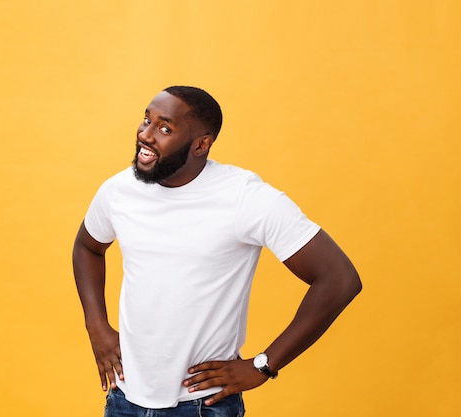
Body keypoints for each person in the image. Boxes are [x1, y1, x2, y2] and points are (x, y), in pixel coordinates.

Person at [72, 86, 362, 417]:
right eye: (146, 120)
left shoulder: (244, 198)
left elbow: (339, 279)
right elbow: (87, 247)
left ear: (201, 144)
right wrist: (97, 326)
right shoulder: (119, 191)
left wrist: (263, 365)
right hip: (124, 399)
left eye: (164, 128)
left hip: (203, 406)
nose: (146, 135)